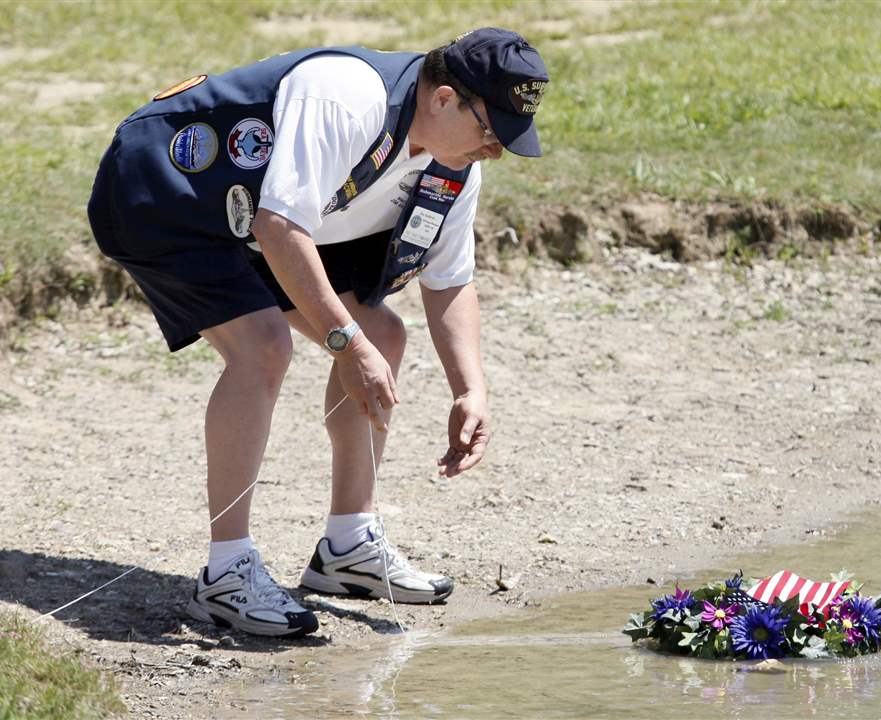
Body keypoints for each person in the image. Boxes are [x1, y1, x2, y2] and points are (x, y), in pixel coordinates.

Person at [87, 28, 549, 637]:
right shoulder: (347, 96)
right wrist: (344, 342)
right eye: (491, 132)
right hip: (164, 189)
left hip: (257, 217)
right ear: (443, 99)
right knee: (264, 347)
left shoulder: (452, 165)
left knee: (382, 333)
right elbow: (280, 228)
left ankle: (348, 547)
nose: (493, 151)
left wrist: (471, 389)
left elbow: (450, 280)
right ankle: (225, 573)